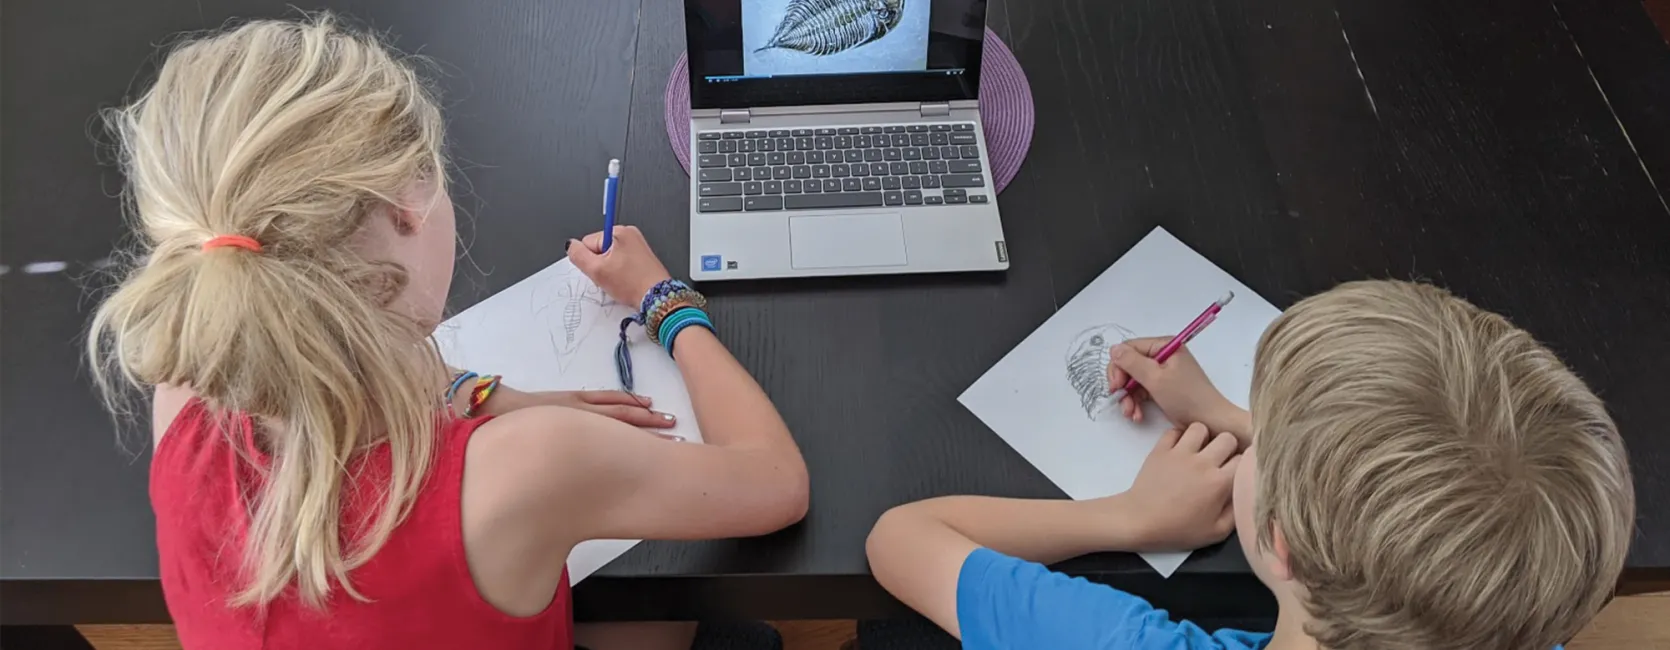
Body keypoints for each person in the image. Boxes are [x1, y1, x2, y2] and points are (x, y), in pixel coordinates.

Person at [88, 15, 806, 650]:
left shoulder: (185, 386)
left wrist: (481, 394)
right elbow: (776, 486)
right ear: (410, 205)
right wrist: (665, 301)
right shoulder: (533, 468)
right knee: (683, 611)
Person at [865, 280, 1634, 650]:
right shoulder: (1512, 608)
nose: (1252, 430)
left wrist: (1129, 517)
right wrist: (1237, 422)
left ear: (1283, 543)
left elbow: (901, 539)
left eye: (1263, 437)